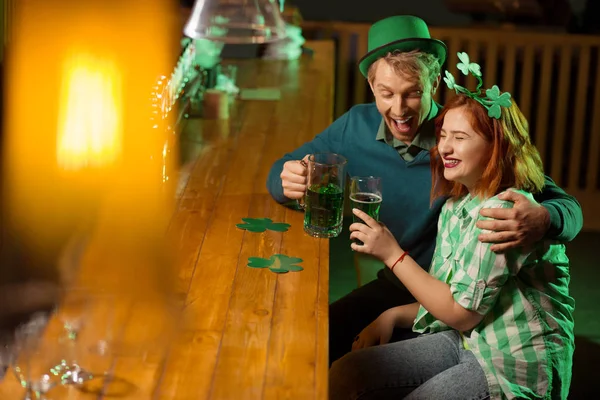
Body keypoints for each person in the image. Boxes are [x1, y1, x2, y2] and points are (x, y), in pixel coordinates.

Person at [265, 15, 583, 364]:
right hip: (399, 283)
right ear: (372, 87)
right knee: (313, 340)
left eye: (413, 93)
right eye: (386, 93)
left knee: (373, 367)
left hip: (461, 296)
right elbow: (281, 172)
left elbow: (567, 208)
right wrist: (290, 177)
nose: (399, 110)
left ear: (433, 84)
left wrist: (542, 218)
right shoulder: (354, 125)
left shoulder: (463, 139)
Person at [328, 57, 575, 399]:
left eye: (459, 137)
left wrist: (391, 253)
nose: (444, 147)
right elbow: (450, 295)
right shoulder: (456, 205)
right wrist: (393, 315)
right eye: (443, 135)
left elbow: (461, 313)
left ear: (496, 148)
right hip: (468, 340)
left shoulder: (505, 211)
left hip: (510, 363)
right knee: (346, 373)